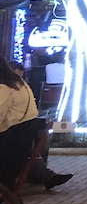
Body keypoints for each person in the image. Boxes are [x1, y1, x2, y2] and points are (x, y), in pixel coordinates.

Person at [0, 58, 71, 191]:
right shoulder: (20, 84)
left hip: (9, 148)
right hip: (19, 144)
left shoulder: (5, 88)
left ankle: (48, 177)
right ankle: (48, 177)